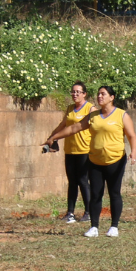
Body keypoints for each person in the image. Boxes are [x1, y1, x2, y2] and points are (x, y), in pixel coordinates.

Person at [45, 85, 136, 238]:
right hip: (95, 161)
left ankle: (114, 226)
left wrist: (133, 152)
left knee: (114, 193)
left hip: (115, 160)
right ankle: (94, 227)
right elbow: (74, 128)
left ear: (111, 97)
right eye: (98, 94)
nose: (100, 97)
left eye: (103, 94)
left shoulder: (121, 115)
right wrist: (54, 137)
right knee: (95, 194)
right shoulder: (93, 116)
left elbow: (132, 135)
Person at [45, 81, 94, 224]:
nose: (75, 94)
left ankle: (88, 212)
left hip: (85, 150)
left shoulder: (90, 108)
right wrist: (51, 138)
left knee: (83, 181)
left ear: (84, 94)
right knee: (72, 182)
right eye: (73, 92)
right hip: (70, 150)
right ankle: (70, 213)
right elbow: (63, 126)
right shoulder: (70, 109)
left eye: (78, 92)